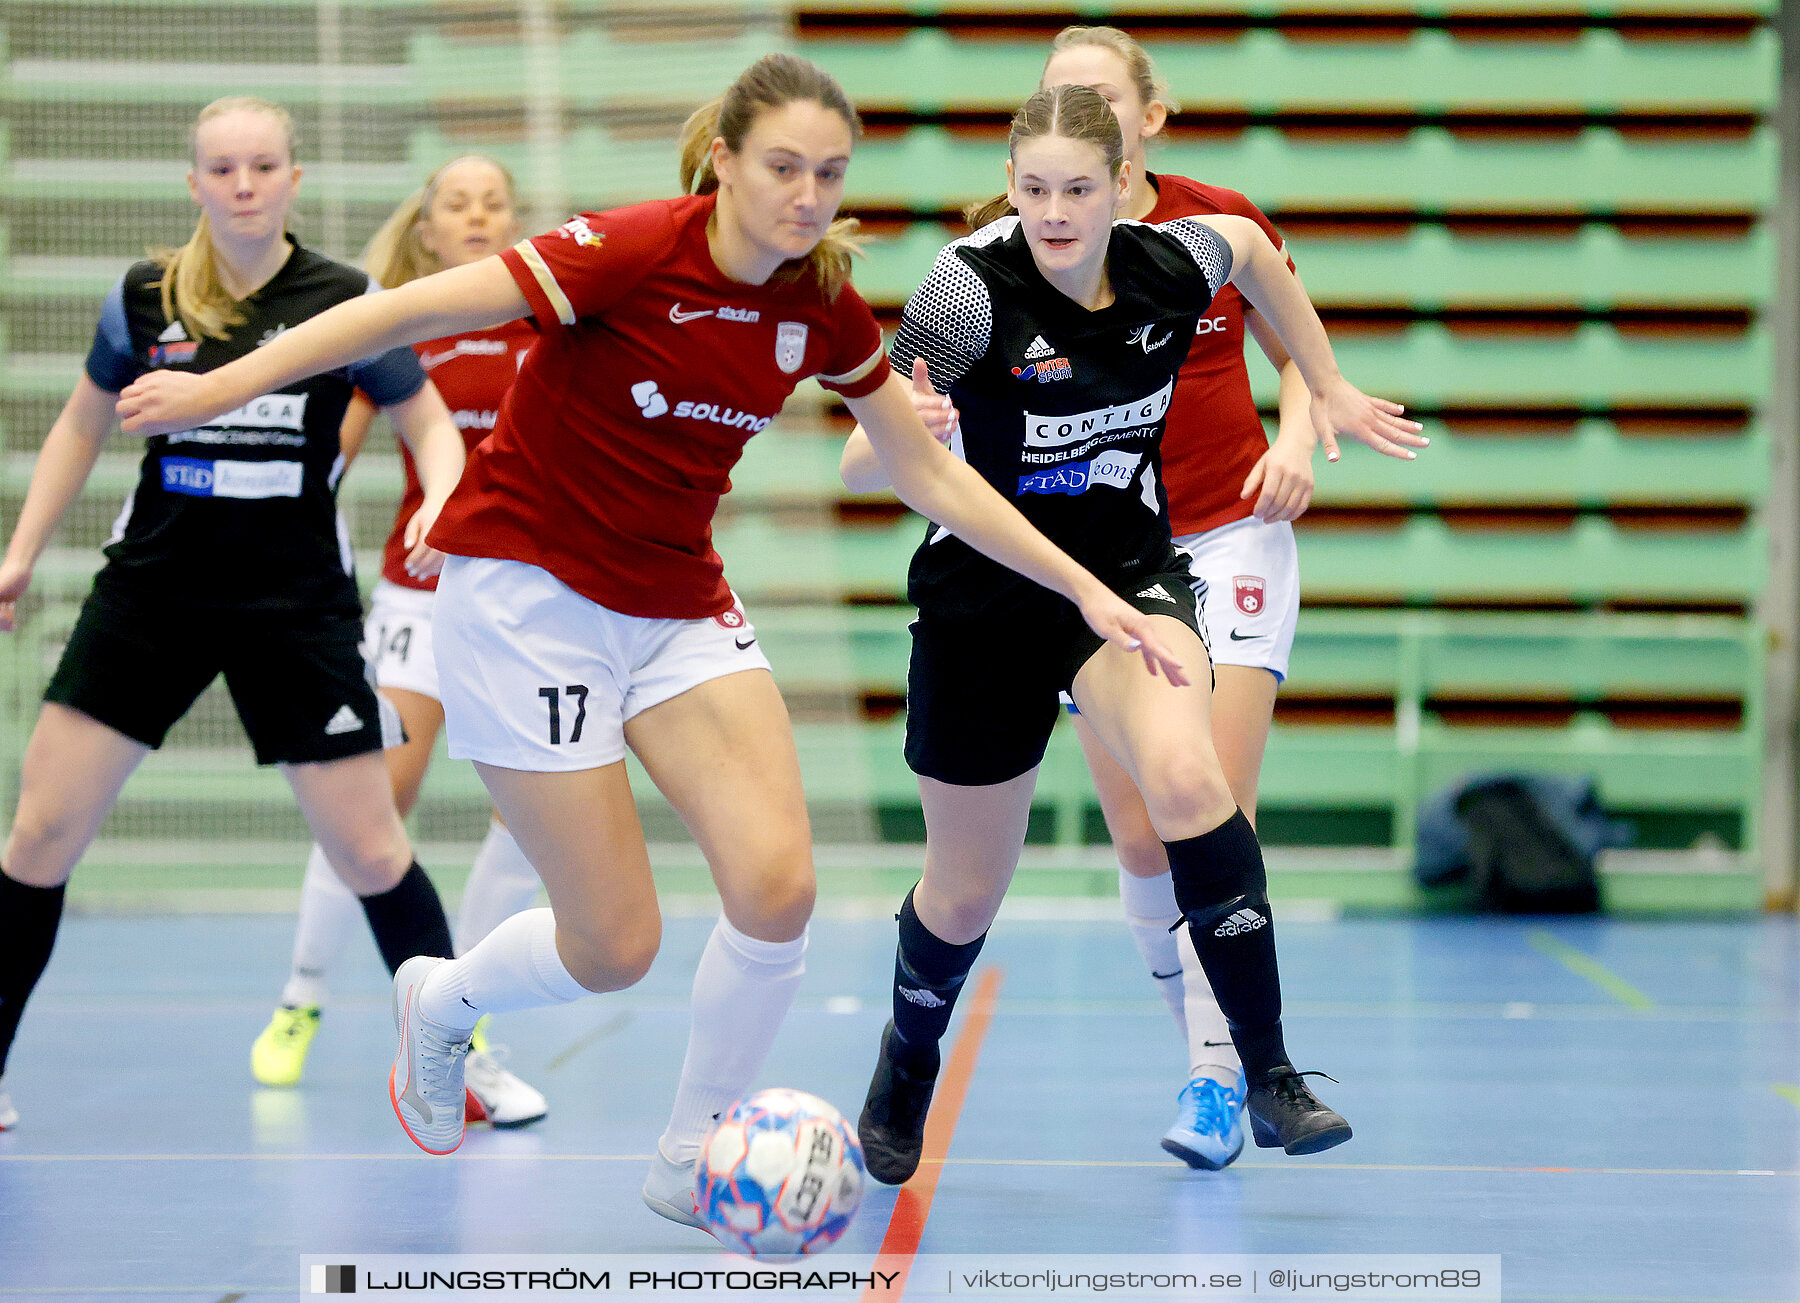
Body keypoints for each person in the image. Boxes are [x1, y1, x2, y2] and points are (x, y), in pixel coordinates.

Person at [116, 55, 1185, 1229]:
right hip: (526, 596)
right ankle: (444, 998)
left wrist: (1090, 590)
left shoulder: (818, 301)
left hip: (675, 599)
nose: (807, 193)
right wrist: (226, 387)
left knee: (780, 890)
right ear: (723, 159)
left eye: (829, 172)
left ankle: (689, 1152)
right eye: (782, 165)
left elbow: (928, 469)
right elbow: (399, 311)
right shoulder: (628, 250)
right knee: (614, 944)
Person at [838, 82, 1425, 1185]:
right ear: (1010, 188)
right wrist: (904, 436)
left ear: (1123, 189)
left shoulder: (1172, 261)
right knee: (965, 890)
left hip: (1125, 576)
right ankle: (905, 1060)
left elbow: (1252, 246)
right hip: (986, 597)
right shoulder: (966, 295)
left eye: (1077, 189)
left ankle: (1271, 1074)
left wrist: (1328, 383)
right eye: (1033, 188)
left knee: (1190, 783)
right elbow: (861, 465)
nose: (1054, 212)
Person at [0, 96, 469, 1132]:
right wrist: (20, 555)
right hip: (151, 594)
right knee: (38, 833)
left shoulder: (346, 297)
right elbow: (80, 429)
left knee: (371, 849)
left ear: (294, 179)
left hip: (294, 606)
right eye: (223, 169)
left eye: (263, 166)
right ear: (195, 184)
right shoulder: (145, 297)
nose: (244, 185)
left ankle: (445, 1061)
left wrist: (441, 496)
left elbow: (434, 430)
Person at [248, 155, 547, 1129]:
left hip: (529, 611)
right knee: (372, 809)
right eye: (456, 203)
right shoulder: (404, 324)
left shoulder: (547, 325)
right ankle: (301, 996)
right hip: (419, 601)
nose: (475, 215)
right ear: (427, 225)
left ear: (511, 220)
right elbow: (323, 451)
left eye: (491, 203)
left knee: (533, 820)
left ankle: (464, 1017)